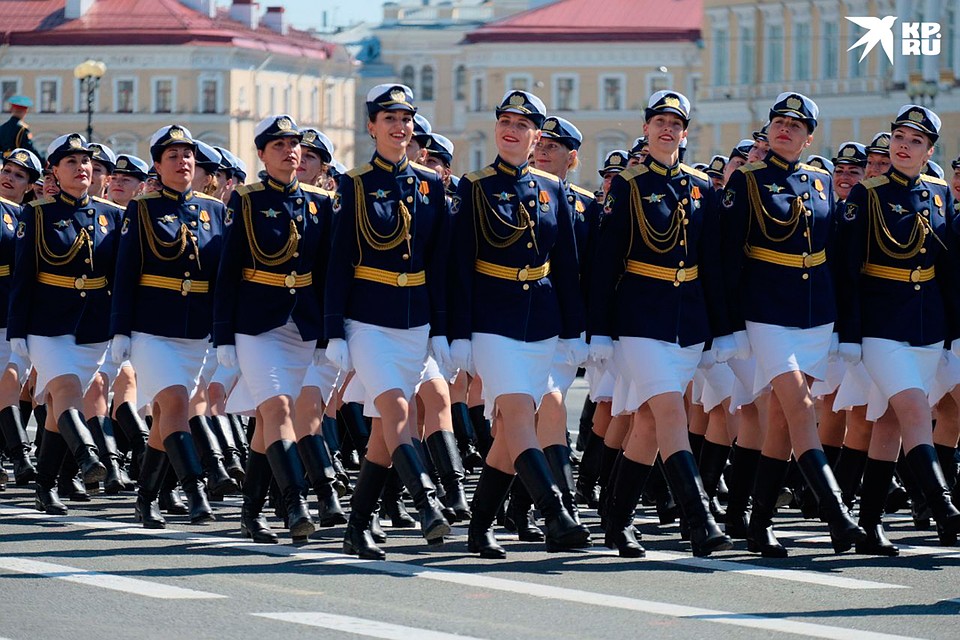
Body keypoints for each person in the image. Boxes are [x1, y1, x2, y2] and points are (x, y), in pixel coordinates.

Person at [588, 90, 733, 558]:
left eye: (675, 123)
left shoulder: (701, 188)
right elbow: (605, 263)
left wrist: (719, 329)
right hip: (640, 318)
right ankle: (700, 519)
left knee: (649, 425)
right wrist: (600, 330)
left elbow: (712, 262)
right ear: (646, 129)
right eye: (659, 122)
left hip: (687, 321)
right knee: (671, 413)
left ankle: (616, 520)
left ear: (685, 133)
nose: (667, 130)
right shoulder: (628, 186)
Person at [721, 93, 866, 557]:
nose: (785, 130)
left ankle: (759, 524)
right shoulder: (746, 181)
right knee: (802, 408)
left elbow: (840, 260)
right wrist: (728, 326)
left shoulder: (822, 182)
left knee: (784, 419)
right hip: (766, 312)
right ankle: (838, 515)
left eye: (796, 126)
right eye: (779, 122)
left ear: (809, 137)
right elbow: (726, 257)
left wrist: (845, 325)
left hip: (815, 314)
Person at [449, 89, 590, 559]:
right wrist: (459, 335)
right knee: (517, 413)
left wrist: (574, 331)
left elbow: (567, 266)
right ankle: (556, 513)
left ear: (535, 138)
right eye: (505, 120)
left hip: (542, 321)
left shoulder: (553, 190)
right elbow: (459, 267)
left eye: (523, 124)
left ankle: (479, 527)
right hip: (492, 318)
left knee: (513, 431)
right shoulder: (475, 186)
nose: (512, 129)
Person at [837, 104, 960, 553]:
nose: (903, 147)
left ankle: (868, 524)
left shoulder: (938, 192)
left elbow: (946, 269)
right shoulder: (867, 194)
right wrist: (848, 334)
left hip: (927, 325)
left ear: (929, 151)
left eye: (915, 142)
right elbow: (848, 271)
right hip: (881, 324)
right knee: (913, 410)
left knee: (888, 422)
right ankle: (943, 505)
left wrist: (951, 332)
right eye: (899, 138)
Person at [215, 114, 340, 542]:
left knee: (271, 422)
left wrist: (328, 333)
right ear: (262, 154)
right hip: (256, 323)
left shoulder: (318, 202)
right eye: (280, 146)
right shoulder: (245, 200)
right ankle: (295, 505)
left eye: (295, 146)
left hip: (301, 324)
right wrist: (223, 336)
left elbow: (326, 273)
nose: (291, 152)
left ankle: (251, 512)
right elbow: (227, 272)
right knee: (278, 410)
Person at [110, 124, 229, 528]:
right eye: (173, 156)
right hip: (152, 329)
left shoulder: (214, 211)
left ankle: (145, 498)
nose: (183, 162)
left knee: (165, 418)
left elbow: (223, 276)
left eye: (188, 155)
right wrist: (121, 330)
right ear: (158, 166)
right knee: (176, 402)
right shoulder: (142, 209)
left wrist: (224, 329)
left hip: (196, 330)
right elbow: (126, 274)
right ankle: (196, 490)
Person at [9, 133, 125, 514]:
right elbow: (23, 277)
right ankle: (88, 455)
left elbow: (121, 278)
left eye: (86, 162)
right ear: (55, 172)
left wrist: (122, 326)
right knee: (65, 386)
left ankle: (46, 486)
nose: (82, 168)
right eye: (71, 162)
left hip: (93, 324)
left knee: (62, 403)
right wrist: (18, 331)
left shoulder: (112, 216)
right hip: (47, 323)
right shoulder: (38, 214)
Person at [0, 148, 39, 485]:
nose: (9, 177)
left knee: (8, 385)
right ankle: (20, 457)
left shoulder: (30, 216)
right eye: (7, 170)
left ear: (29, 186)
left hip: (16, 316)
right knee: (6, 386)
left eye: (18, 175)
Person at [0, 96, 42, 160]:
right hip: (18, 161)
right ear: (25, 111)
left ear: (11, 109)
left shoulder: (2, 128)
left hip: (4, 161)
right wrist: (43, 161)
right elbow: (30, 149)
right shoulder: (22, 129)